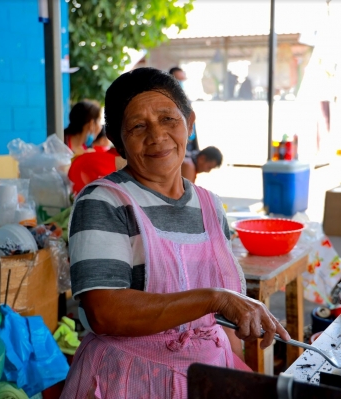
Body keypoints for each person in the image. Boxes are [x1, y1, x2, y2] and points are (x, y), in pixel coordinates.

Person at [61, 68, 288, 398]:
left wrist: (234, 371)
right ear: (118, 141)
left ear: (190, 123)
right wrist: (216, 298)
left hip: (207, 374)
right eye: (138, 126)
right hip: (129, 380)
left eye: (168, 119)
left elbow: (219, 325)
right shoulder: (103, 201)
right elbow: (104, 312)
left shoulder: (209, 206)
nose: (157, 136)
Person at [169, 66, 200, 156]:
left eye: (183, 80)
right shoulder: (169, 101)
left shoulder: (187, 100)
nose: (181, 83)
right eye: (178, 80)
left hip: (189, 142)